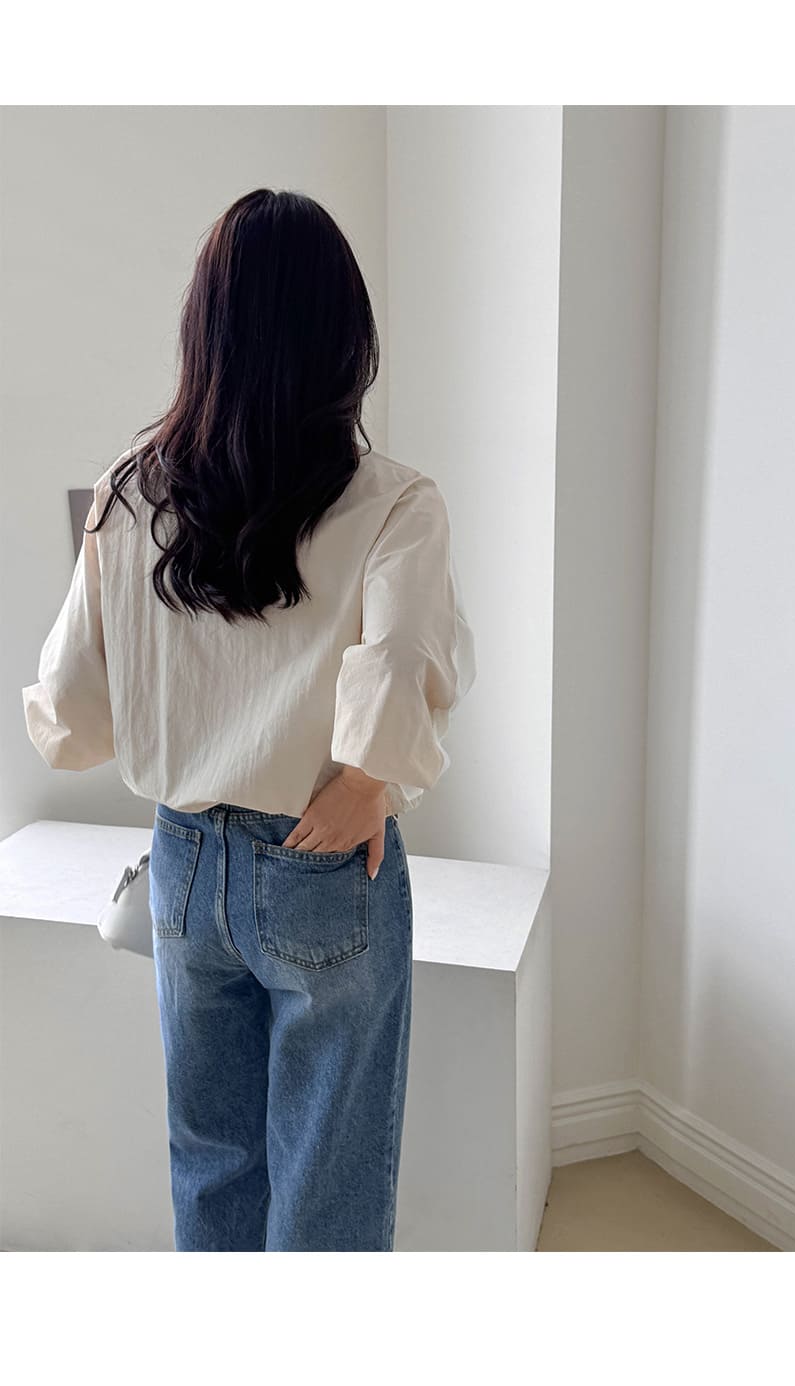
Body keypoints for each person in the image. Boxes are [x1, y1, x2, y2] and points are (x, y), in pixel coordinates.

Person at [21, 187, 476, 1252]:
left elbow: (73, 704)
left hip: (182, 862)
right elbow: (404, 658)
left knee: (211, 1161)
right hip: (320, 858)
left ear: (205, 332)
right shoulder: (393, 502)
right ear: (346, 336)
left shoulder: (131, 493)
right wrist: (366, 779)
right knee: (329, 1180)